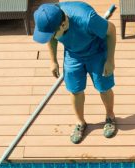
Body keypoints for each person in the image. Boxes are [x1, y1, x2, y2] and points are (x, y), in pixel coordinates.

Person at [33, 2, 117, 144]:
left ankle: (110, 116)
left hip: (96, 52)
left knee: (104, 87)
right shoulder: (50, 18)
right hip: (73, 55)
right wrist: (53, 60)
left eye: (52, 33)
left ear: (63, 25)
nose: (50, 37)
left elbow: (112, 31)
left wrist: (110, 60)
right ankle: (81, 122)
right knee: (75, 90)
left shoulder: (88, 19)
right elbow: (50, 37)